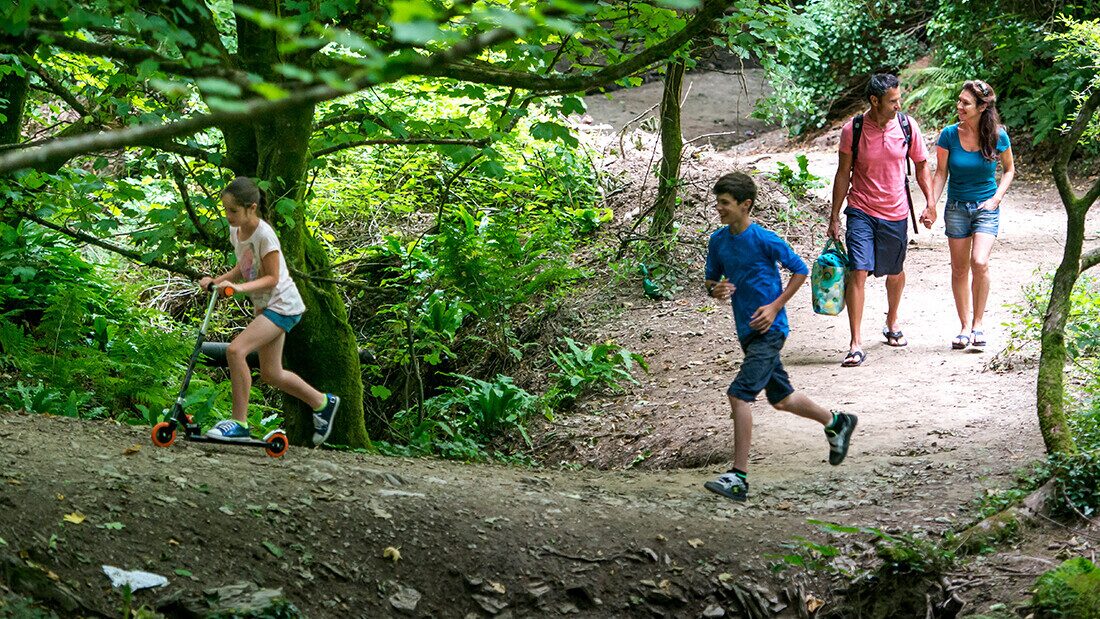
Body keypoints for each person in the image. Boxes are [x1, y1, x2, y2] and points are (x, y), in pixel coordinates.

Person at [703, 171, 858, 502]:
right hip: (747, 330)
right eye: (718, 202)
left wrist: (775, 307)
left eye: (725, 203)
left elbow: (800, 269)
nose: (719, 208)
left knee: (739, 395)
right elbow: (711, 281)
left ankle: (738, 477)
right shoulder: (718, 241)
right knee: (782, 398)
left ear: (745, 205)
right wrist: (716, 289)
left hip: (770, 331)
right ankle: (837, 422)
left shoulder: (764, 239)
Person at [198, 176, 340, 446]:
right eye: (225, 210)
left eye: (233, 210)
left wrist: (238, 289)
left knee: (235, 351)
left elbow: (272, 278)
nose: (228, 216)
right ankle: (322, 402)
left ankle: (239, 423)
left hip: (282, 305)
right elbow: (243, 266)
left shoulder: (265, 235)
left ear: (251, 207)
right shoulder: (237, 231)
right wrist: (218, 281)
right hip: (265, 306)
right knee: (271, 374)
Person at [828, 73, 934, 367]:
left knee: (895, 271)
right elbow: (843, 173)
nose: (898, 106)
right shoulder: (853, 130)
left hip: (895, 211)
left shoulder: (907, 126)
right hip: (861, 209)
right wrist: (834, 217)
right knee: (858, 270)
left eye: (899, 99)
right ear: (875, 101)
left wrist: (930, 202)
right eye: (892, 101)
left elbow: (922, 165)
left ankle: (891, 321)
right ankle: (855, 343)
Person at [920, 80, 1015, 350]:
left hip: (986, 207)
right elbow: (941, 173)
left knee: (979, 262)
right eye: (959, 100)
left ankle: (978, 324)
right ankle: (964, 327)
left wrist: (996, 198)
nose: (959, 106)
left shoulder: (997, 136)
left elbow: (1009, 170)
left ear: (982, 107)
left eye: (966, 103)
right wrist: (931, 205)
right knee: (960, 269)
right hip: (957, 208)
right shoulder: (949, 135)